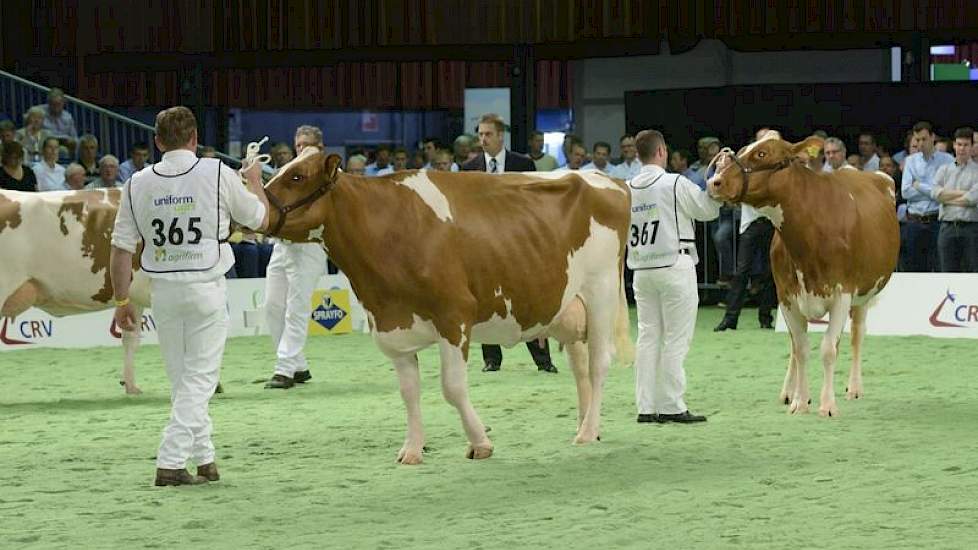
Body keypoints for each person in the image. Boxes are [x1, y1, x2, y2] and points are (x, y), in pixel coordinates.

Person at [109, 106, 269, 486]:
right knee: (199, 380)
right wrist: (255, 180)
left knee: (184, 380)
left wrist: (121, 301)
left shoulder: (136, 183)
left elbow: (119, 250)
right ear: (195, 139)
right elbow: (259, 218)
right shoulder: (217, 172)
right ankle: (170, 461)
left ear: (158, 141)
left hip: (162, 291)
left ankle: (205, 457)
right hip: (206, 288)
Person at [627, 129, 719, 424]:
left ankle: (645, 406)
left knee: (647, 335)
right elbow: (705, 210)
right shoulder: (674, 181)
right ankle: (671, 404)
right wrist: (715, 190)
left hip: (642, 270)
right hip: (674, 264)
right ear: (662, 151)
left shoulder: (627, 186)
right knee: (676, 339)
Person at [462, 113, 557, 374]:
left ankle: (543, 359)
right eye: (480, 134)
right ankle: (491, 359)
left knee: (528, 298)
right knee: (484, 299)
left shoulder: (523, 163)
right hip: (481, 245)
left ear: (501, 136)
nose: (483, 139)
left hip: (518, 244)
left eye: (488, 134)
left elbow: (535, 204)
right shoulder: (468, 169)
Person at [263, 125, 329, 389]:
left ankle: (285, 368)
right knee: (272, 306)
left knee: (296, 307)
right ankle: (298, 365)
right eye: (298, 145)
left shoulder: (327, 175)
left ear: (319, 148)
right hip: (282, 245)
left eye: (307, 145)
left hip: (309, 246)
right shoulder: (288, 173)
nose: (301, 149)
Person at [715, 129, 779, 331]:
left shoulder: (778, 165)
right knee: (742, 271)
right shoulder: (743, 161)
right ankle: (730, 318)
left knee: (771, 272)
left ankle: (765, 317)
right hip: (750, 223)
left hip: (772, 221)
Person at [902, 121, 954, 272]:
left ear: (933, 137)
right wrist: (933, 190)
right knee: (913, 270)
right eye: (917, 140)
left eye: (924, 139)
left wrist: (919, 185)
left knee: (939, 268)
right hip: (914, 221)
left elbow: (945, 194)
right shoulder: (910, 161)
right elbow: (905, 192)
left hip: (937, 221)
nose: (920, 143)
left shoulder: (948, 160)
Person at [931, 127, 978, 272]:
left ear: (972, 147)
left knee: (973, 273)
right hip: (947, 227)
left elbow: (972, 199)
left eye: (965, 145)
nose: (962, 148)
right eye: (959, 144)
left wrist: (946, 199)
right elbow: (935, 194)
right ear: (954, 145)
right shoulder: (944, 169)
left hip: (970, 229)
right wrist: (963, 193)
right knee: (947, 273)